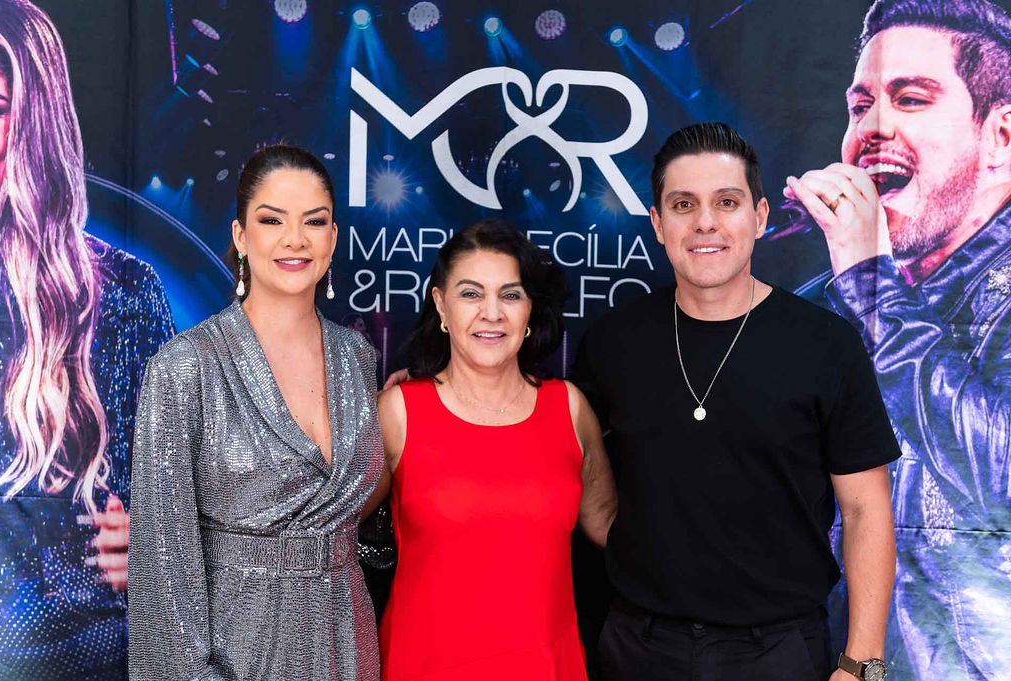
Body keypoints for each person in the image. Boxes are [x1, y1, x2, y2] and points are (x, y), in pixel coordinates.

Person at [570, 122, 900, 681]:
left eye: (727, 202)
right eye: (683, 204)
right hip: (638, 648)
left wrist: (863, 665)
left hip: (778, 653)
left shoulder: (826, 344)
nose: (705, 222)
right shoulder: (612, 342)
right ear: (658, 223)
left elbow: (866, 511)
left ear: (760, 216)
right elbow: (586, 486)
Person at [783, 1, 1011, 677]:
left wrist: (869, 280)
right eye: (860, 106)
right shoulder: (827, 303)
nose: (873, 128)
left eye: (910, 99)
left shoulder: (864, 286)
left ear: (1001, 136)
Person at [128, 144, 383, 681]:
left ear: (333, 238)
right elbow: (162, 565)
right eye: (272, 220)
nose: (295, 239)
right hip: (239, 651)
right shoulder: (186, 366)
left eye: (314, 221)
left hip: (346, 642)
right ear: (241, 236)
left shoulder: (357, 357)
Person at [0, 1, 174, 678]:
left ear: (33, 120)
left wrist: (154, 547)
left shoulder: (120, 290)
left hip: (77, 652)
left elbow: (178, 483)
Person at [375, 219, 617, 681]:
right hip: (425, 668)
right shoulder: (398, 411)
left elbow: (611, 527)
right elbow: (329, 529)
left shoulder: (568, 407)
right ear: (441, 305)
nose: (492, 313)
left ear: (530, 310)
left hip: (545, 668)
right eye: (471, 294)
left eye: (510, 295)